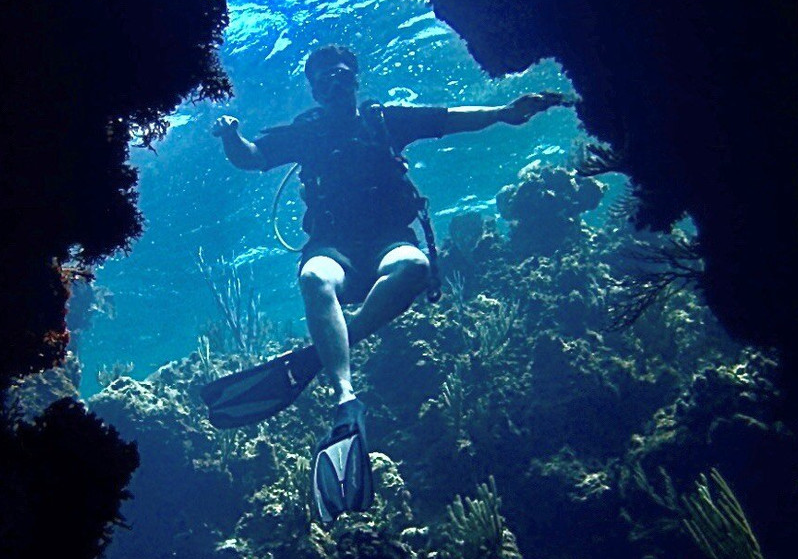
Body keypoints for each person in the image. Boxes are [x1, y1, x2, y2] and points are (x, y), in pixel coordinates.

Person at [210, 44, 570, 520]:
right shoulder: (306, 132)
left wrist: (504, 111)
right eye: (324, 78)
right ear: (314, 88)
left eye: (342, 75)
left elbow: (449, 118)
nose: (334, 84)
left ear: (355, 80)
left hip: (387, 243)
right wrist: (230, 138)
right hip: (332, 247)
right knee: (316, 279)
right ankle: (345, 397)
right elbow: (253, 158)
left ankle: (328, 345)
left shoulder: (384, 120)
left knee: (416, 269)